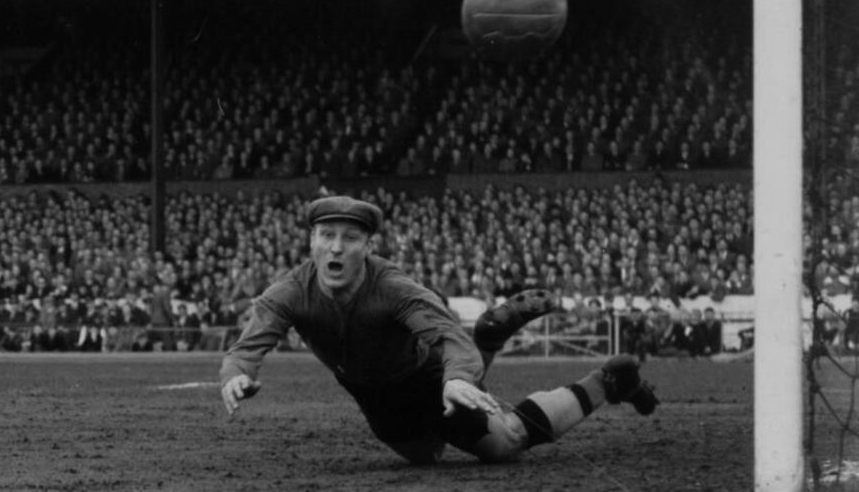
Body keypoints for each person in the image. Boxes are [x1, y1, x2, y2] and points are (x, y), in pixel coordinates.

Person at [220, 195, 659, 465]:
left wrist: (455, 379)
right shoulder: (288, 292)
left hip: (427, 380)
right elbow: (248, 345)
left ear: (367, 247)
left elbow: (448, 337)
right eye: (327, 235)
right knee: (425, 457)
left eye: (349, 238)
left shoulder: (394, 287)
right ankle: (488, 340)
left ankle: (607, 381)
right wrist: (236, 373)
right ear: (311, 242)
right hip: (374, 398)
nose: (336, 247)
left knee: (507, 442)